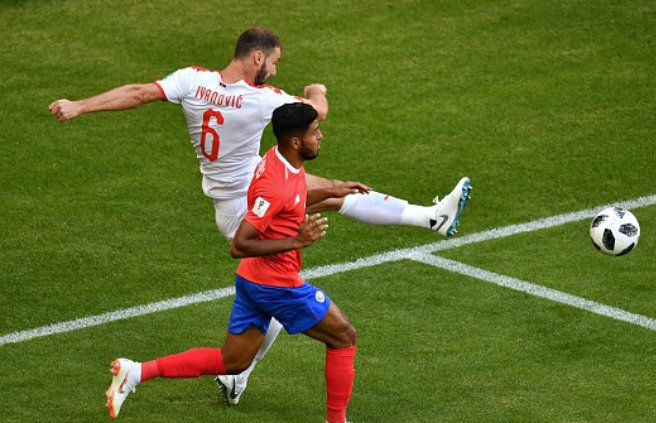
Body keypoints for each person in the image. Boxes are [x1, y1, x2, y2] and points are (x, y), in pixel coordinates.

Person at [50, 27, 471, 404]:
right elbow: (313, 114)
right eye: (274, 62)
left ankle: (431, 218)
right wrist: (317, 88)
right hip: (252, 205)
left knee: (335, 194)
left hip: (239, 193)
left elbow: (139, 92)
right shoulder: (262, 99)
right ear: (257, 58)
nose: (273, 69)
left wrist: (79, 105)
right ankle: (430, 219)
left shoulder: (191, 79)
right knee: (293, 270)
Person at [107, 103, 357, 422]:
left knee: (233, 362)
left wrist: (335, 190)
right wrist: (298, 241)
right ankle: (336, 420)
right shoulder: (274, 184)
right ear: (296, 142)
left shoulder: (283, 160)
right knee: (344, 336)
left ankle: (136, 371)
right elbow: (240, 244)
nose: (320, 136)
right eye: (314, 133)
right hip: (276, 285)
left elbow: (294, 199)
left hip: (253, 280)